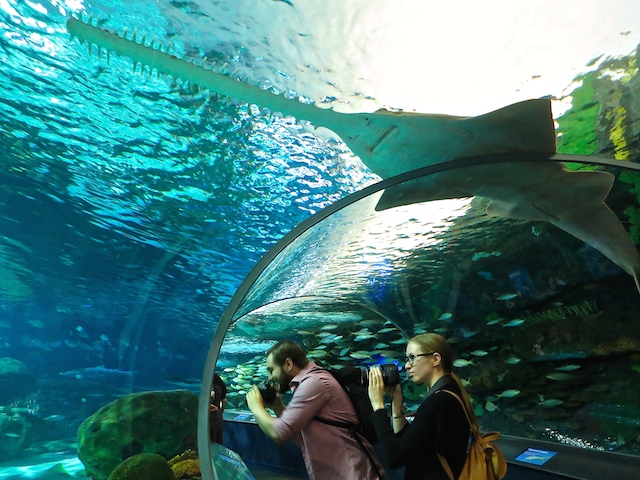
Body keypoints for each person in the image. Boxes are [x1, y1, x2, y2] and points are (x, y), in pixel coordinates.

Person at [246, 340, 385, 480]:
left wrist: (256, 407)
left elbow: (280, 433)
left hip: (353, 474)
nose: (270, 377)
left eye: (271, 370)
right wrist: (277, 406)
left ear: (288, 364)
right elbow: (301, 439)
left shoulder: (313, 383)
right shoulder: (309, 382)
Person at [368, 333, 473, 480]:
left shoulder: (438, 401)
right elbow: (407, 445)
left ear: (435, 359)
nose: (407, 365)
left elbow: (394, 457)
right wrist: (396, 401)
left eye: (412, 357)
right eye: (406, 359)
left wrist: (377, 404)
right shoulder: (448, 393)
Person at [209, 373, 227, 444]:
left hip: (209, 417)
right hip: (218, 417)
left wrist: (207, 405)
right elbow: (224, 400)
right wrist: (220, 411)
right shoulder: (218, 381)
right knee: (218, 442)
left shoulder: (207, 380)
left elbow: (211, 395)